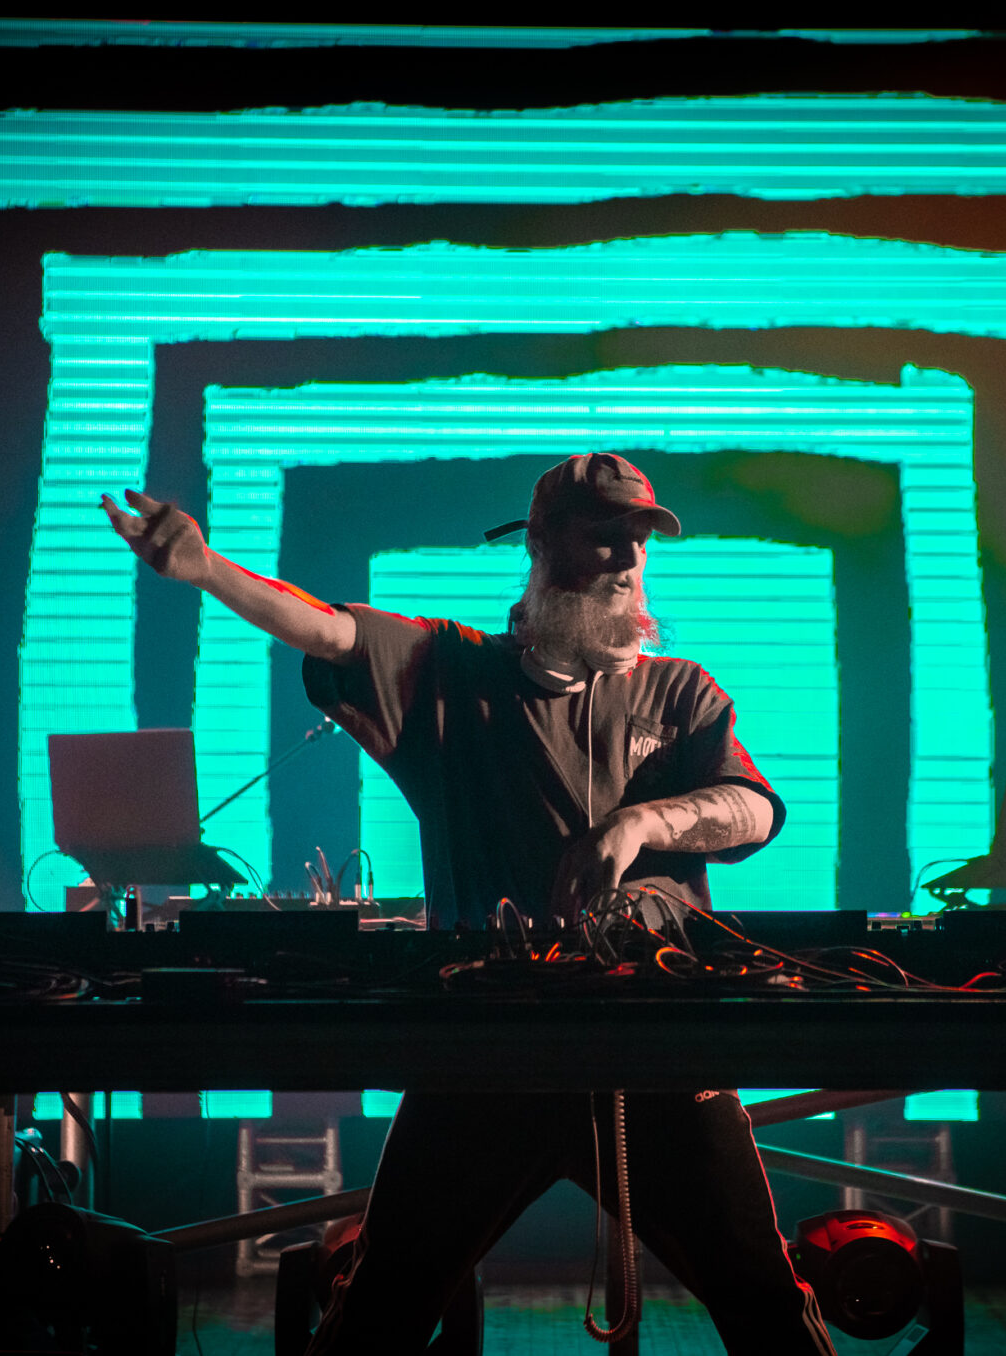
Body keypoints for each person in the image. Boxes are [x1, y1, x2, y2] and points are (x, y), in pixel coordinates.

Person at [102, 453, 835, 1353]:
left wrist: (644, 821)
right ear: (541, 544)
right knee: (381, 1313)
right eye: (605, 536)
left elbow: (753, 807)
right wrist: (205, 569)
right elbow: (329, 632)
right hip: (489, 1053)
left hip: (657, 1048)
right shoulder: (454, 672)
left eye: (640, 540)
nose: (628, 558)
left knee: (766, 1305)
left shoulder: (678, 690)